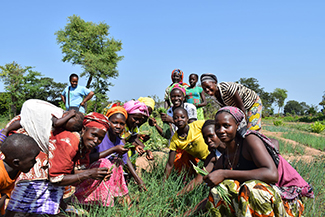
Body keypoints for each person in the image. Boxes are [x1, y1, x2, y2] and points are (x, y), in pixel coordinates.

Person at [189, 106, 314, 216]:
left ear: (237, 126)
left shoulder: (250, 140)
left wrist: (224, 173)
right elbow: (212, 196)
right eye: (217, 126)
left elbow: (272, 175)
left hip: (288, 202)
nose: (221, 130)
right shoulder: (225, 157)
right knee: (219, 190)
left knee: (253, 188)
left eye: (226, 126)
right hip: (266, 201)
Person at [5, 112, 115, 216]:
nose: (96, 141)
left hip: (41, 162)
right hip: (28, 157)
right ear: (84, 129)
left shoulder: (83, 144)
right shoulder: (69, 141)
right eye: (94, 134)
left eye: (100, 138)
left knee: (47, 201)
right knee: (28, 197)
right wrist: (89, 174)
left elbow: (70, 170)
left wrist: (95, 173)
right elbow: (57, 179)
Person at [0, 99, 83, 152]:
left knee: (25, 122)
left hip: (38, 112)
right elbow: (56, 123)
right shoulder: (58, 112)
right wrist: (69, 115)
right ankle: (6, 130)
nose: (63, 124)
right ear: (67, 113)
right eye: (64, 122)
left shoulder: (65, 117)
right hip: (32, 108)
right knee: (24, 122)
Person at [164, 107, 209, 184]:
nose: (179, 120)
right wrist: (163, 184)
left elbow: (213, 124)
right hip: (205, 161)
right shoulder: (175, 139)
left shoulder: (197, 125)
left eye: (182, 117)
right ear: (173, 121)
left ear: (187, 118)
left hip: (215, 155)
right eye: (176, 118)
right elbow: (169, 164)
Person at [0, 134, 40, 215]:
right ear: (16, 162)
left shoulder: (15, 170)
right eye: (32, 160)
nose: (35, 162)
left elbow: (5, 191)